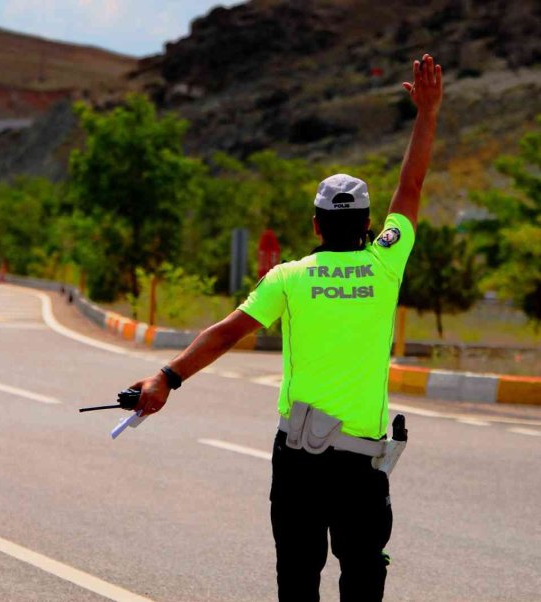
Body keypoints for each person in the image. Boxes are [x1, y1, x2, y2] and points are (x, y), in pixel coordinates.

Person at [130, 54, 443, 601]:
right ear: (370, 224)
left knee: (298, 580)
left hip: (298, 459)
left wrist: (165, 377)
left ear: (316, 223)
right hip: (361, 460)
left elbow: (226, 333)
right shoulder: (386, 263)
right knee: (364, 577)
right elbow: (411, 185)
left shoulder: (289, 279)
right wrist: (427, 113)